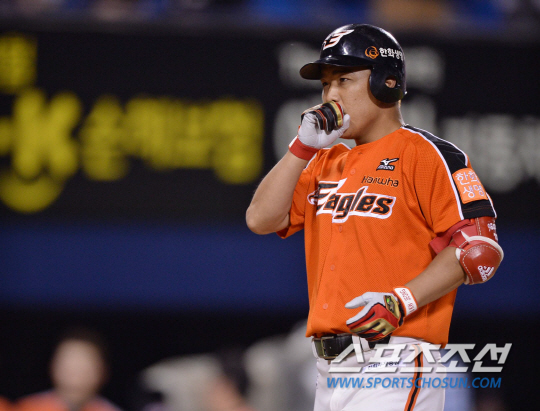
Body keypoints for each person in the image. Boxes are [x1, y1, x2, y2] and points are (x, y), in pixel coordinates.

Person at [246, 24, 503, 411]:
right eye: (326, 84)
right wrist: (301, 148)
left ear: (386, 82)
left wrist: (401, 301)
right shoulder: (325, 162)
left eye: (344, 79)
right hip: (328, 369)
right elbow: (260, 219)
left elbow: (480, 250)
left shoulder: (426, 154)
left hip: (395, 359)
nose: (330, 95)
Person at [16, 328, 121, 411]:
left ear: (102, 371)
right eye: (69, 364)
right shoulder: (26, 408)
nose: (75, 375)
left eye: (83, 367)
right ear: (53, 366)